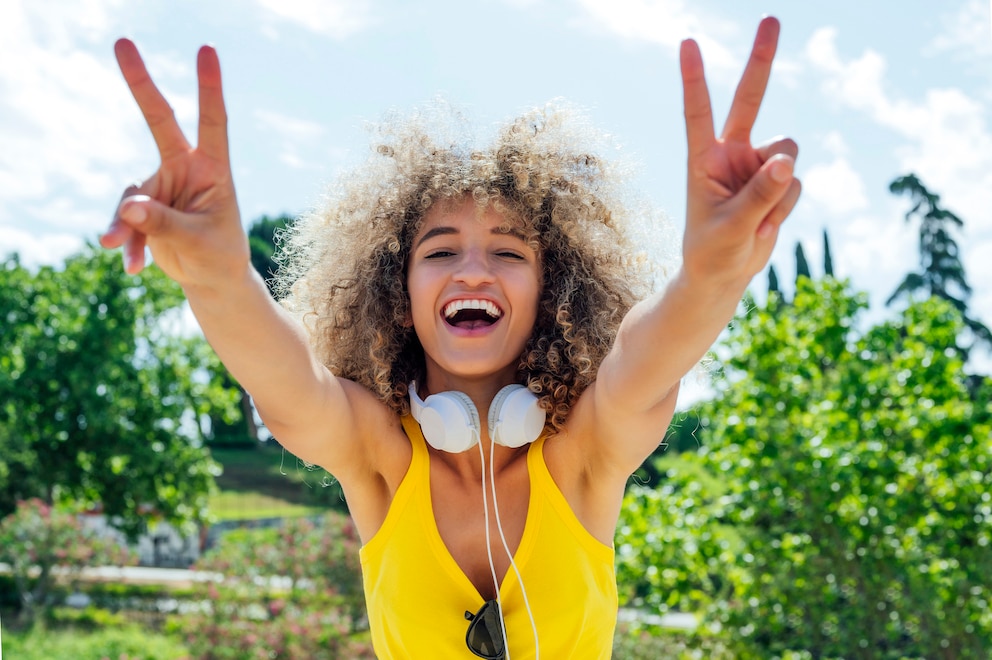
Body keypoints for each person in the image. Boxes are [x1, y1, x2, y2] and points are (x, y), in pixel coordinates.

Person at [101, 15, 800, 659]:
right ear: (398, 294)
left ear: (552, 290)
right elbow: (288, 385)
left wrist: (710, 274)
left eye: (508, 251)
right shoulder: (377, 452)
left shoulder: (585, 451)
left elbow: (647, 360)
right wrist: (220, 277)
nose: (473, 270)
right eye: (439, 252)